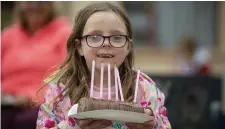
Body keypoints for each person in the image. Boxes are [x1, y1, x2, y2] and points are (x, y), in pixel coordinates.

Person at [36, 2, 171, 129]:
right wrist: (74, 125)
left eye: (117, 37)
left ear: (128, 47)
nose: (106, 43)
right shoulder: (61, 91)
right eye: (94, 37)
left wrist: (152, 124)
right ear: (79, 47)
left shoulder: (143, 88)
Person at [1, 1, 72, 129]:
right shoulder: (8, 36)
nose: (34, 6)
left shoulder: (64, 33)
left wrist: (30, 97)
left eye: (41, 2)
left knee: (27, 121)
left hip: (46, 103)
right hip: (7, 103)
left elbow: (67, 74)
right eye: (29, 2)